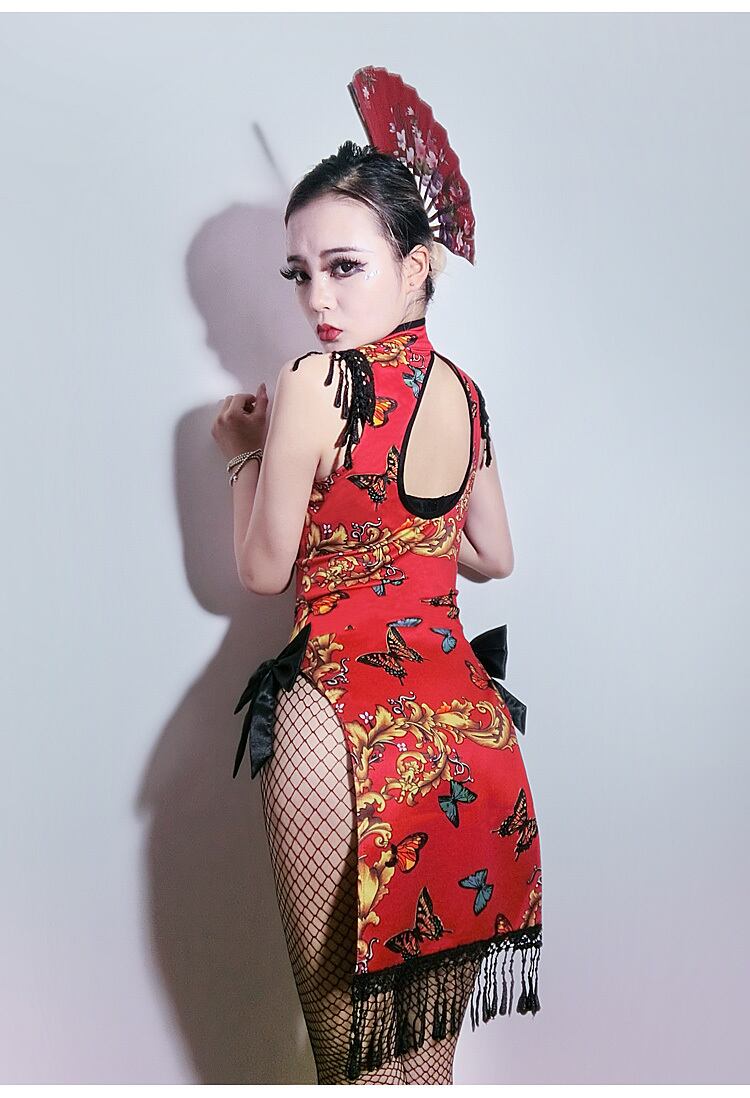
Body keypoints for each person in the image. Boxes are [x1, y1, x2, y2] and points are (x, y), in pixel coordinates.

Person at [211, 140, 542, 1085]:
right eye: (300, 273)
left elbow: (263, 569)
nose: (317, 299)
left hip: (340, 721)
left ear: (416, 265)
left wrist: (244, 454)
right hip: (467, 738)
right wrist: (407, 539)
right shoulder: (466, 394)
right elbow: (493, 556)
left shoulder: (314, 385)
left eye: (344, 266)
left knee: (348, 1070)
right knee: (420, 1078)